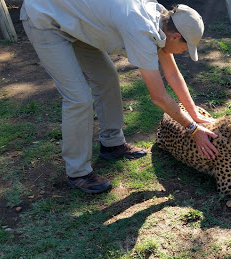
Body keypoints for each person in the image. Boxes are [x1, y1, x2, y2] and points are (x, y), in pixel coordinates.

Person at [20, 0, 219, 194]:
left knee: (107, 79)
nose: (183, 52)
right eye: (185, 48)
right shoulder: (141, 29)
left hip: (75, 18)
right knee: (78, 99)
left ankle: (111, 143)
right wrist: (193, 129)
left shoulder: (161, 19)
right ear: (175, 36)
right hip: (45, 18)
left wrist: (194, 113)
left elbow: (173, 74)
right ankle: (78, 172)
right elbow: (158, 96)